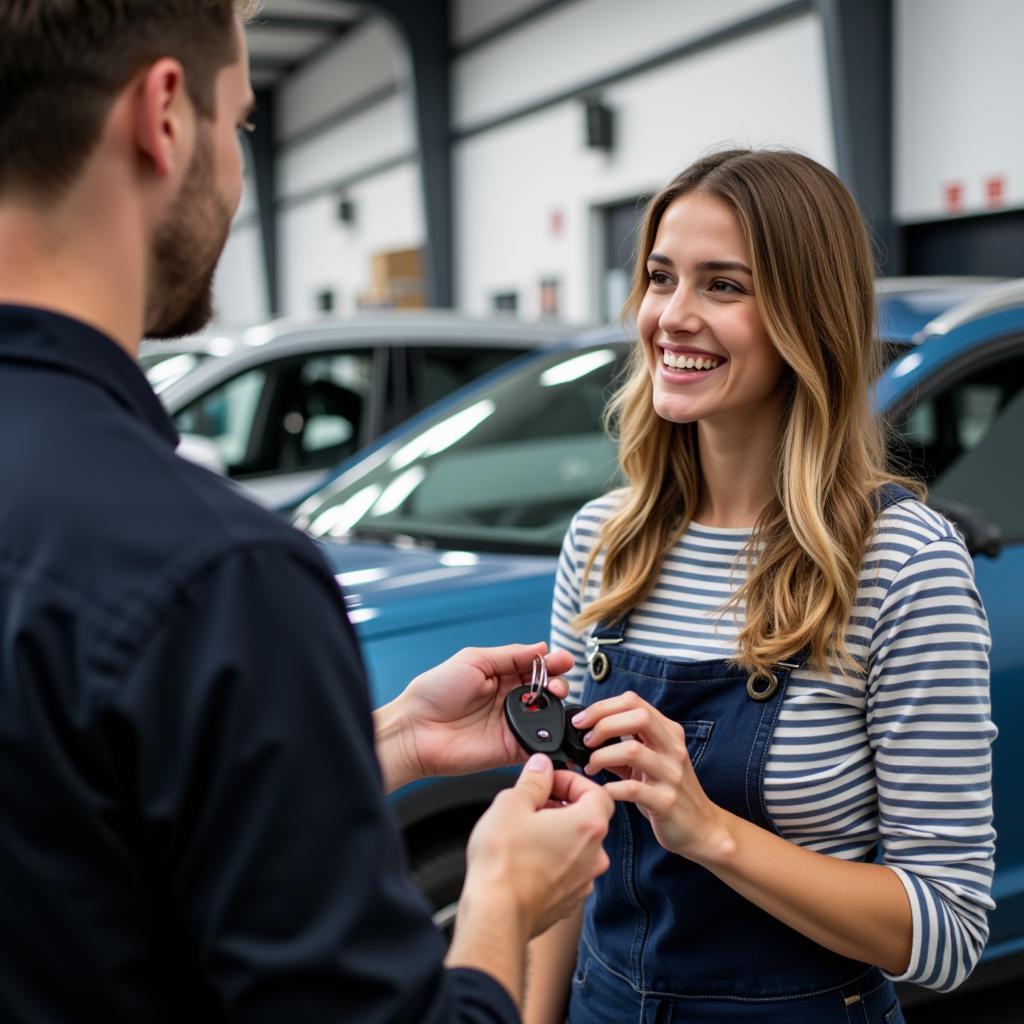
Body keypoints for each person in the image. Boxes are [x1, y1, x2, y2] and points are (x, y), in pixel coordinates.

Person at [0, 3, 614, 1022]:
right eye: (239, 121)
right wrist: (503, 898)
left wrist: (399, 741)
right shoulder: (215, 574)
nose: (238, 172)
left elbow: (74, 829)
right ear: (163, 115)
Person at [525, 149, 997, 1023]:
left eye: (724, 286)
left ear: (807, 316)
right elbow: (558, 835)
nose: (672, 316)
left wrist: (710, 832)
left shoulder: (901, 565)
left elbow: (948, 931)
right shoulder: (601, 541)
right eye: (661, 277)